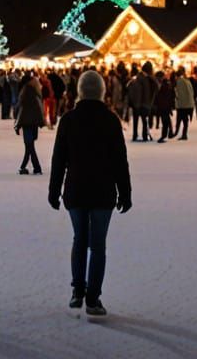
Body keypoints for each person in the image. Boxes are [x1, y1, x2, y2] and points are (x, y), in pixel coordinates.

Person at [48, 70, 131, 318]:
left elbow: (59, 159)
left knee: (79, 239)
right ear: (102, 91)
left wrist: (54, 190)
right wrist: (125, 192)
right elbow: (120, 161)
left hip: (75, 189)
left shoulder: (69, 120)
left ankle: (77, 290)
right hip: (103, 190)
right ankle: (93, 297)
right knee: (97, 245)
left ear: (80, 91)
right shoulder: (110, 120)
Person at [16, 74, 46, 174]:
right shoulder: (33, 91)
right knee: (29, 146)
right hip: (32, 122)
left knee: (29, 146)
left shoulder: (26, 91)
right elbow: (38, 108)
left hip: (27, 122)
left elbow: (22, 109)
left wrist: (18, 123)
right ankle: (26, 166)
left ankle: (34, 168)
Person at [127, 67, 153, 142]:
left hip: (136, 103)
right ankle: (144, 135)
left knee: (136, 120)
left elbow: (131, 92)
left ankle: (135, 135)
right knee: (144, 120)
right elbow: (147, 92)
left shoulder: (135, 80)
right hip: (143, 103)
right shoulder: (146, 80)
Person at [172, 70, 194, 140]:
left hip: (182, 105)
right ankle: (183, 134)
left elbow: (179, 94)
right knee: (185, 120)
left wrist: (177, 102)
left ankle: (176, 133)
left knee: (179, 119)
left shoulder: (179, 82)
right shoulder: (187, 81)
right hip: (189, 104)